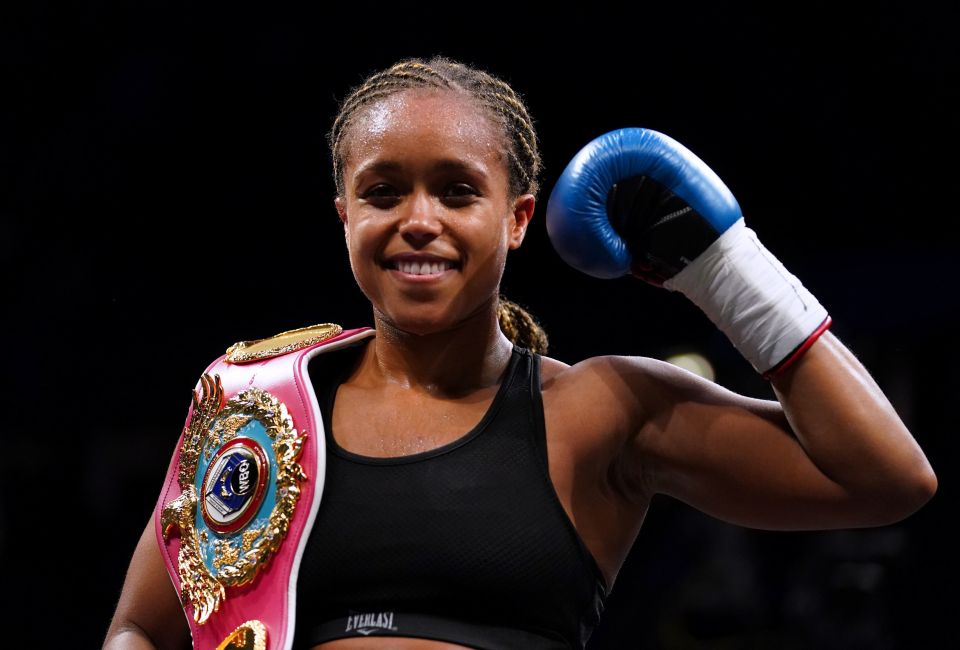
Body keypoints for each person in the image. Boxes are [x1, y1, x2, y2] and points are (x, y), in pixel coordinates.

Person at [103, 55, 937, 650]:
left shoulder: (600, 412)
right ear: (344, 216)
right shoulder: (257, 403)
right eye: (384, 192)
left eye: (458, 190)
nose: (418, 219)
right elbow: (141, 625)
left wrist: (727, 271)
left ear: (518, 219)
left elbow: (883, 480)